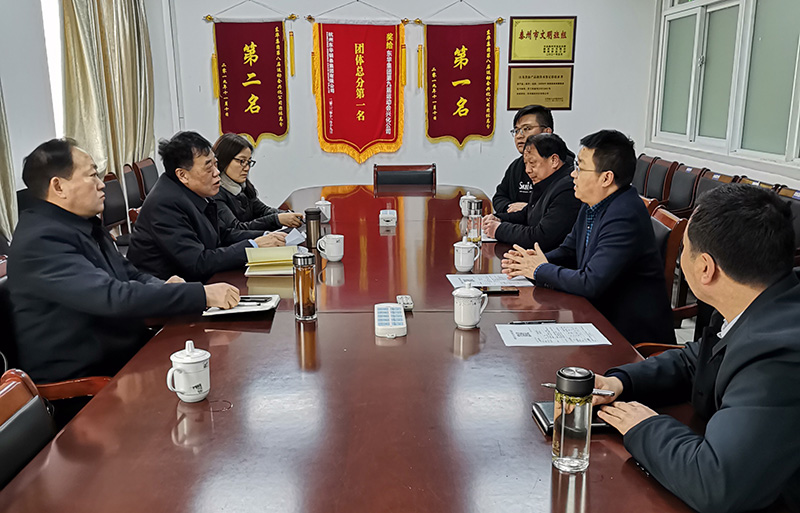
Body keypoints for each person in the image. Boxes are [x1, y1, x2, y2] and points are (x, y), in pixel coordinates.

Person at [593, 184, 800, 513]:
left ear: (705, 268)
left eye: (684, 248)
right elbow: (695, 361)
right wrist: (621, 382)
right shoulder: (759, 301)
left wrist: (644, 426)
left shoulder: (779, 354)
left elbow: (716, 483)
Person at [8, 138, 240, 383]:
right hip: (90, 380)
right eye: (92, 176)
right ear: (58, 186)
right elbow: (113, 297)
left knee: (222, 356)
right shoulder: (41, 241)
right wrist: (201, 294)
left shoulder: (80, 223)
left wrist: (165, 286)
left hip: (126, 353)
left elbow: (130, 273)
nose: (102, 185)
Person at [501, 129, 674, 345]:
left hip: (628, 336)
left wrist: (539, 269)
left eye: (580, 168)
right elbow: (569, 251)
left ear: (606, 178)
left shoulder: (625, 215)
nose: (573, 174)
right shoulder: (593, 203)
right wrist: (530, 262)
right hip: (597, 316)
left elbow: (591, 282)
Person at [127, 131, 286, 282]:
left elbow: (222, 235)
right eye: (209, 168)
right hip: (165, 292)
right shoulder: (165, 205)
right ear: (183, 175)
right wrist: (253, 246)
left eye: (216, 164)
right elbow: (198, 263)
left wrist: (265, 237)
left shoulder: (195, 191)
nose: (217, 172)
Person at [483, 133, 580, 251]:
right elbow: (528, 214)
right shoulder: (547, 181)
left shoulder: (567, 189)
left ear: (554, 160)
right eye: (525, 163)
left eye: (532, 163)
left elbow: (541, 237)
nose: (527, 170)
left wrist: (499, 230)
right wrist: (499, 219)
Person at [212, 133, 303, 234]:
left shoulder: (243, 186)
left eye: (249, 162)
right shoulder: (215, 192)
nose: (247, 168)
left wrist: (289, 215)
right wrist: (276, 219)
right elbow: (236, 229)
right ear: (224, 160)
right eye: (242, 161)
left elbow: (263, 211)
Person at [492, 105, 574, 214]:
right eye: (516, 130)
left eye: (527, 129)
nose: (519, 136)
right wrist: (511, 209)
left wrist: (529, 209)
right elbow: (499, 197)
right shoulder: (517, 166)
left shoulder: (566, 168)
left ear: (547, 132)